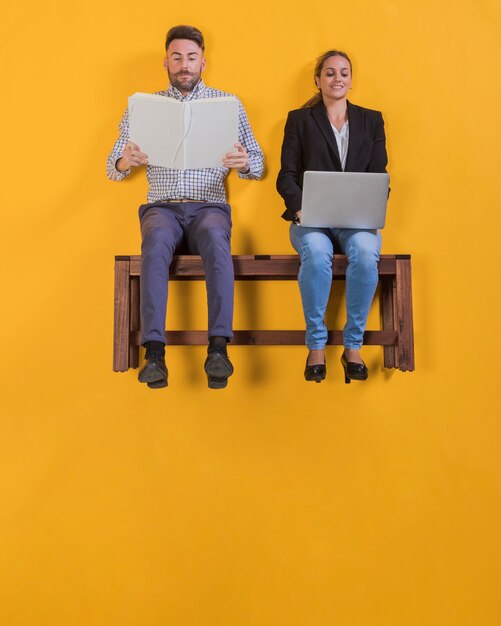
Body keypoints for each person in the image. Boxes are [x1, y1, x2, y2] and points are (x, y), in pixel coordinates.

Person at [107, 25, 264, 390]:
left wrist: (243, 163)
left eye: (191, 58)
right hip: (162, 207)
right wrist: (125, 160)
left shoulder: (227, 103)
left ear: (203, 62)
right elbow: (112, 166)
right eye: (176, 57)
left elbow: (256, 162)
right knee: (155, 242)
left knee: (215, 239)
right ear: (166, 62)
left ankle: (219, 349)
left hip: (209, 205)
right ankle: (155, 354)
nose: (184, 65)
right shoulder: (144, 107)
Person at [276, 50, 388, 384]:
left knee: (367, 253)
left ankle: (353, 345)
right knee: (317, 252)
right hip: (311, 219)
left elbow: (379, 174)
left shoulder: (372, 120)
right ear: (318, 80)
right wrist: (301, 209)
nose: (337, 79)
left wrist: (371, 205)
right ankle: (316, 345)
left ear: (351, 80)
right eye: (329, 73)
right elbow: (286, 176)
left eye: (343, 73)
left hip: (356, 220)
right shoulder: (299, 120)